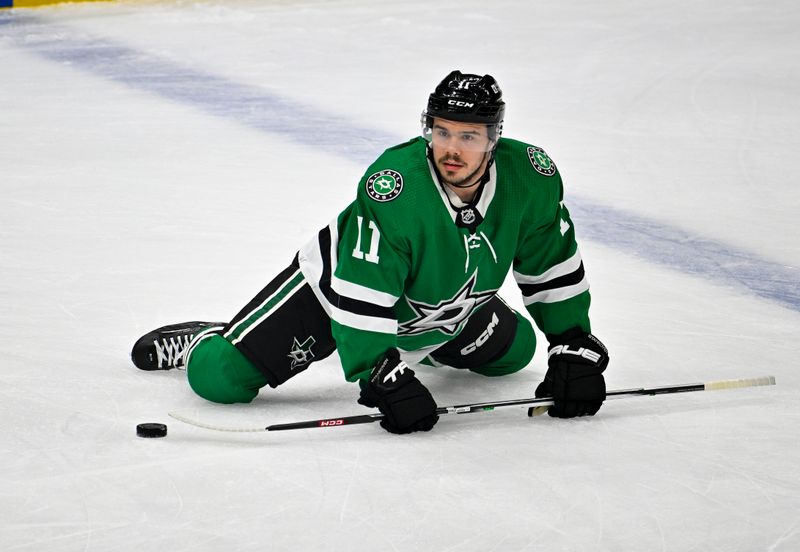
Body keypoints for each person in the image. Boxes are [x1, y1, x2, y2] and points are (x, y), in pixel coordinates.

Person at [131, 70, 610, 434]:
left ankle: (424, 345)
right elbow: (361, 291)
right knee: (219, 379)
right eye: (441, 132)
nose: (451, 149)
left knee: (516, 351)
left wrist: (572, 343)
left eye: (468, 136)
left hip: (441, 307)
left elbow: (551, 266)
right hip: (334, 294)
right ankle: (211, 335)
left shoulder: (530, 177)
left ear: (493, 138)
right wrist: (380, 374)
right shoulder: (397, 188)